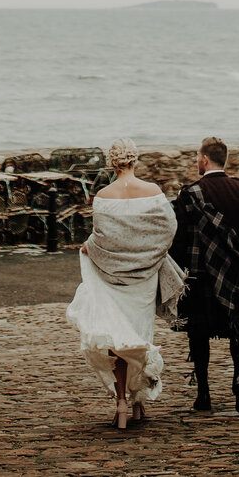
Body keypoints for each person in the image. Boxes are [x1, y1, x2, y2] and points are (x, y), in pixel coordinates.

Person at [66, 137, 185, 430]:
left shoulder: (104, 196)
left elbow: (103, 237)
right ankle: (138, 401)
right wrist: (150, 254)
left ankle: (121, 401)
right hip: (143, 278)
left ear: (111, 162)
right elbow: (169, 229)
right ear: (135, 160)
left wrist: (88, 247)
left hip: (112, 278)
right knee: (139, 336)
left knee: (117, 340)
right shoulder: (154, 192)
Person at [171, 136, 239, 416]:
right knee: (238, 327)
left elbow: (180, 238)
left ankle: (203, 394)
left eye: (197, 157)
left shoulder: (190, 193)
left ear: (203, 159)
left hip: (201, 273)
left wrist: (177, 271)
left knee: (198, 333)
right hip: (235, 272)